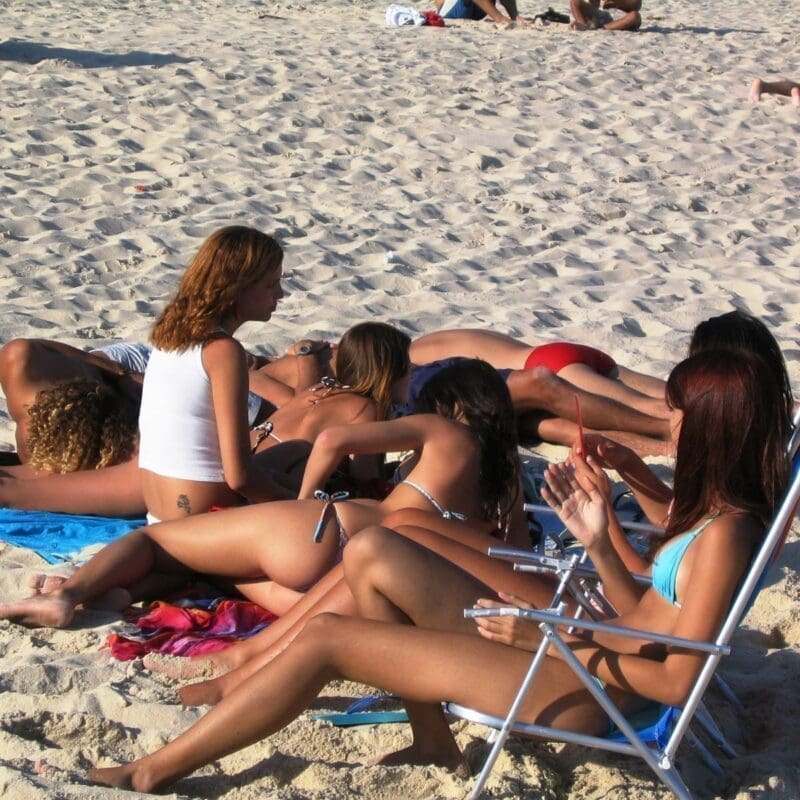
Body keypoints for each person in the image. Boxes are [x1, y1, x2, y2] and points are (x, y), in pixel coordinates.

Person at [80, 348, 788, 791]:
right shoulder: (716, 517)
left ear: (715, 427)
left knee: (329, 639)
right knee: (374, 549)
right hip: (583, 647)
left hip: (587, 685)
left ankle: (152, 774)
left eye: (680, 416)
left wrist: (552, 632)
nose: (669, 425)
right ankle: (430, 735)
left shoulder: (725, 534)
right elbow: (652, 623)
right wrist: (598, 540)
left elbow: (674, 677)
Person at [0, 358, 528, 624]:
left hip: (330, 531)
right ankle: (120, 593)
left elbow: (333, 439)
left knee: (166, 537)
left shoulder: (441, 434)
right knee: (215, 567)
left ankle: (68, 595)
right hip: (355, 587)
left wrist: (304, 502)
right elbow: (517, 562)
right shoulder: (507, 484)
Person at [410, 328, 671, 453]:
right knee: (678, 397)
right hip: (557, 351)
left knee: (657, 413)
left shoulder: (417, 369)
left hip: (550, 368)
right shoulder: (429, 341)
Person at [435, 0, 528, 25]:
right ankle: (500, 19)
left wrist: (515, 16)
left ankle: (514, 17)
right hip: (452, 13)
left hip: (475, 11)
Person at [570, 0, 641, 30]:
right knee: (575, 1)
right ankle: (582, 24)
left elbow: (636, 5)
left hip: (622, 17)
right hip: (604, 15)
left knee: (635, 16)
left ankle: (602, 27)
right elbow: (595, 5)